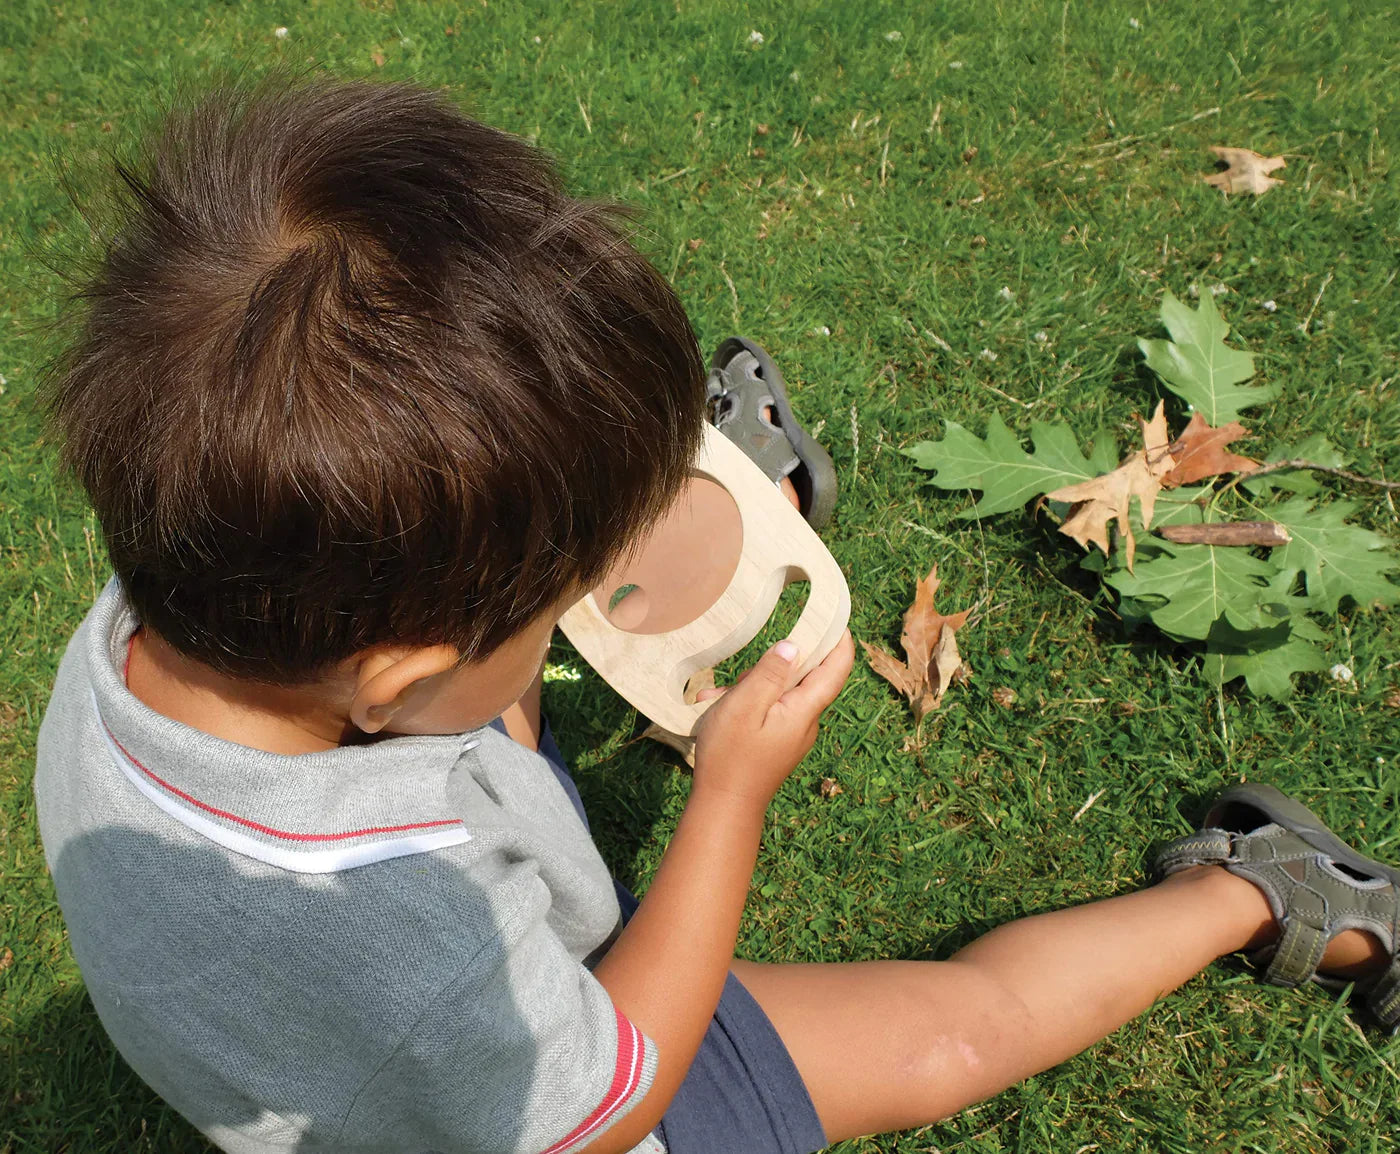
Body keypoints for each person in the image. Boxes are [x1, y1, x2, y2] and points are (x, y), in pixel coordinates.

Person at [33, 76, 1400, 1154]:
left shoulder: (181, 611)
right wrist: (730, 796)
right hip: (561, 1070)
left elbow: (451, 683)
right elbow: (610, 1095)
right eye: (561, 592)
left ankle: (695, 498)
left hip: (388, 904)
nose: (571, 611)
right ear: (395, 677)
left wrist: (523, 580)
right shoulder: (419, 941)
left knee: (493, 615)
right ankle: (1262, 887)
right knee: (958, 1033)